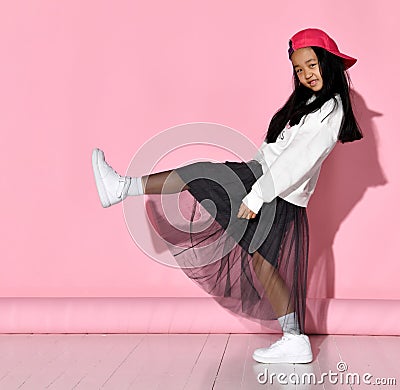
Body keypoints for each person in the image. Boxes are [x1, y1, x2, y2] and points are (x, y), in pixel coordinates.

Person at [91, 28, 363, 364]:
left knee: (204, 180)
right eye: (298, 69)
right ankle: (295, 338)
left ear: (329, 64)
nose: (306, 74)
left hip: (272, 191)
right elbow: (281, 149)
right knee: (260, 260)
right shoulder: (311, 104)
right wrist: (257, 169)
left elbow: (297, 162)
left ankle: (123, 187)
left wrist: (254, 196)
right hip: (264, 181)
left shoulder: (330, 111)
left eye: (311, 65)